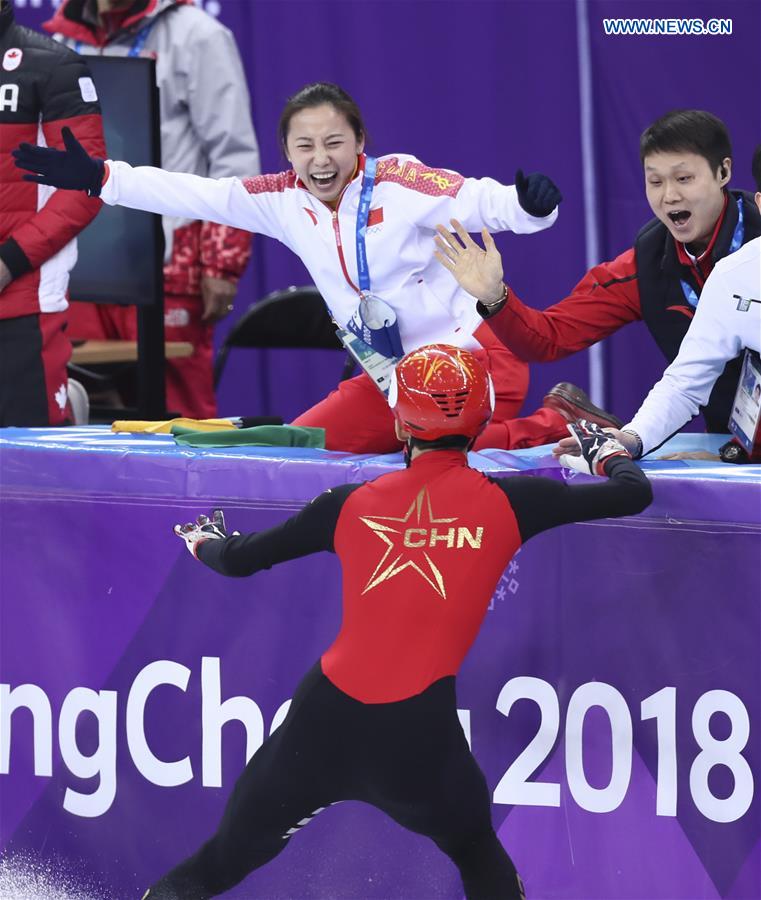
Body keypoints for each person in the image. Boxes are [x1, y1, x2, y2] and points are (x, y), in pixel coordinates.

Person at [147, 343, 652, 900]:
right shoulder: (515, 502)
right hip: (418, 735)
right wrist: (604, 451)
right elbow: (633, 493)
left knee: (215, 866)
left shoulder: (346, 504)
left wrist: (204, 541)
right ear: (485, 413)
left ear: (398, 421)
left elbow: (240, 560)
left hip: (322, 720)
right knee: (479, 858)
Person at [12, 81, 616, 453]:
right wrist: (101, 178)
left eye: (334, 143)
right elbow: (191, 192)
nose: (320, 159)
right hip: (391, 376)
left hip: (473, 355)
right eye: (305, 146)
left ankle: (556, 420)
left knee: (440, 452)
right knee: (309, 447)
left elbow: (481, 200)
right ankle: (513, 424)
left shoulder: (401, 181)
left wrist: (531, 205)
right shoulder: (281, 199)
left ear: (360, 142)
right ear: (287, 153)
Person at [448, 110, 760, 436]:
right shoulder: (644, 267)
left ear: (723, 171)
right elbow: (549, 337)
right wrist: (495, 298)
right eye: (655, 181)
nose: (669, 195)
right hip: (731, 446)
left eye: (684, 179)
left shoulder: (756, 243)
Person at [43, 0, 261, 419]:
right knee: (84, 408)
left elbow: (234, 158)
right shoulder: (61, 41)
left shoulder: (199, 35)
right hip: (80, 257)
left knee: (179, 415)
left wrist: (222, 262)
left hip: (169, 259)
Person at [0, 0, 105, 427]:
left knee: (27, 475)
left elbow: (85, 187)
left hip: (22, 306)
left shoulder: (54, 66)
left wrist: (8, 263)